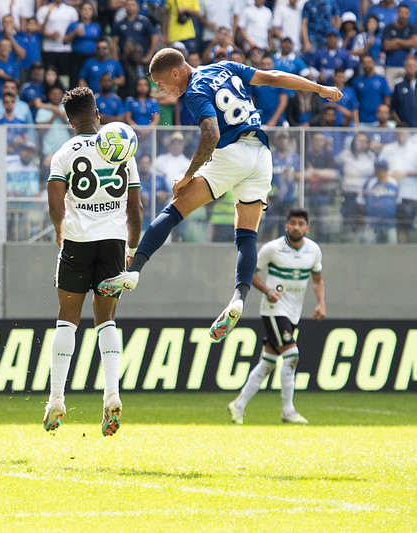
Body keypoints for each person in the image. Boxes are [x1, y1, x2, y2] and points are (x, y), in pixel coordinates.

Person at [97, 48, 340, 343]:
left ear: (175, 73)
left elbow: (211, 134)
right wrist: (319, 88)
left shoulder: (194, 92)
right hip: (262, 154)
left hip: (231, 152)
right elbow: (274, 77)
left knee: (174, 210)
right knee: (247, 234)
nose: (161, 91)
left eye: (161, 84)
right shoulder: (223, 67)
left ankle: (133, 271)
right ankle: (238, 298)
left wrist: (188, 176)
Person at [44, 86, 142, 436]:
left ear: (70, 121)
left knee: (66, 321)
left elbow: (55, 203)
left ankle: (56, 397)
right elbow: (136, 208)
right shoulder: (120, 148)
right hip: (113, 242)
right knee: (107, 321)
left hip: (77, 242)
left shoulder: (63, 153)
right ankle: (112, 394)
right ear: (98, 113)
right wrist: (131, 248)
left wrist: (59, 229)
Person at [228, 208, 326, 425]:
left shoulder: (314, 250)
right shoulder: (272, 249)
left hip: (293, 313)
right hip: (274, 310)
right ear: (286, 226)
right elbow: (250, 272)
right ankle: (288, 411)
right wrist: (267, 291)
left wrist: (321, 303)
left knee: (268, 362)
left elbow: (317, 280)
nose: (297, 227)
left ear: (307, 228)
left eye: (301, 224)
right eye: (293, 223)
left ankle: (238, 405)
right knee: (292, 355)